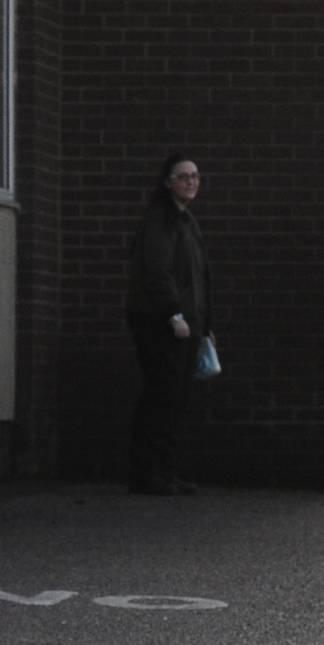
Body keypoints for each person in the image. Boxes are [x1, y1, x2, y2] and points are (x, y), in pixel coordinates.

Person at [124, 153, 212, 495]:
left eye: (195, 176)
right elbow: (157, 272)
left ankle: (166, 471)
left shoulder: (188, 222)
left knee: (176, 400)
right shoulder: (160, 221)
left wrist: (206, 325)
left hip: (188, 324)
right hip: (159, 322)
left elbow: (201, 276)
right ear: (167, 183)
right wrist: (173, 314)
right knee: (161, 396)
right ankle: (147, 474)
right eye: (183, 176)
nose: (191, 182)